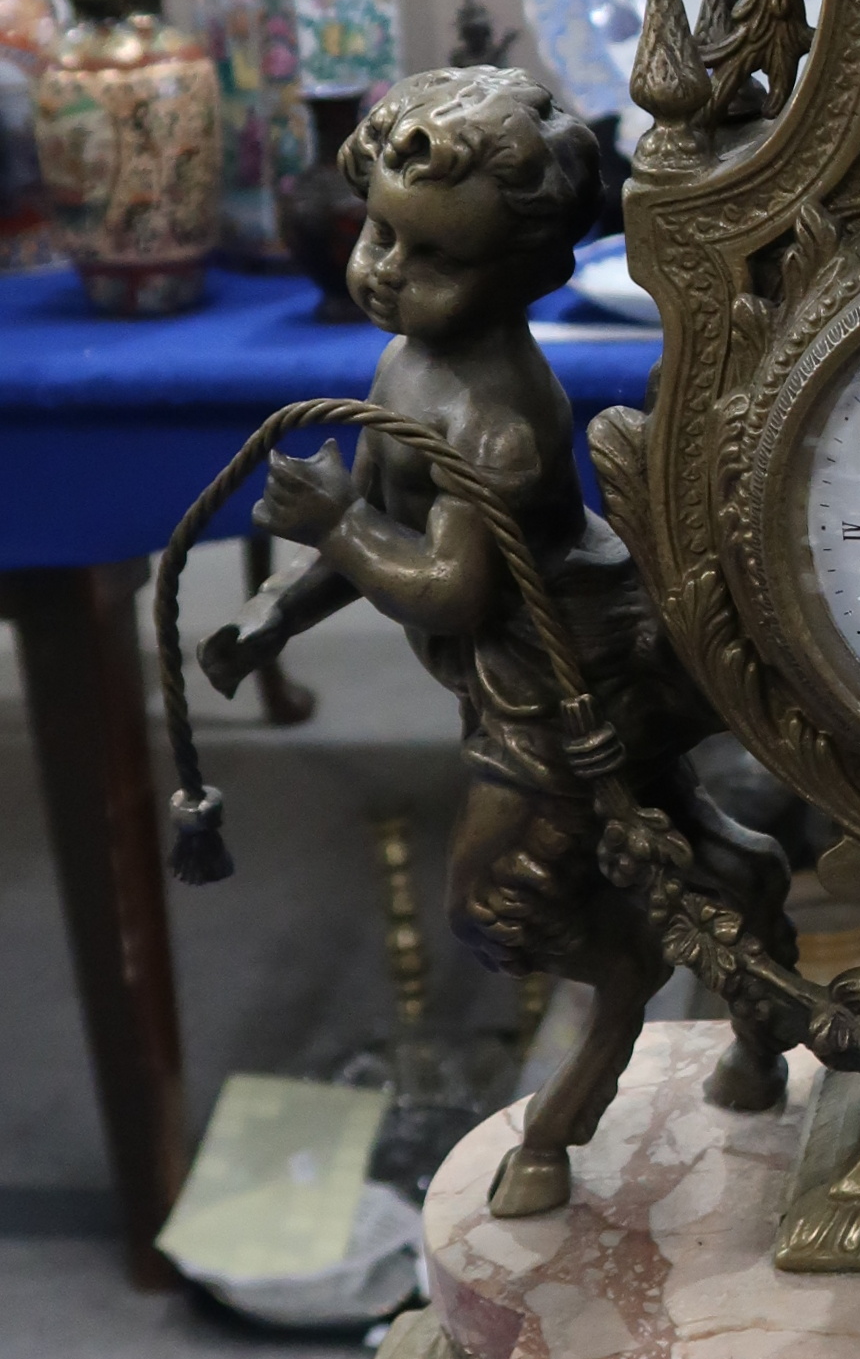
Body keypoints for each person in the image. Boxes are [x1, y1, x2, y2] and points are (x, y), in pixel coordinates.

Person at [197, 65, 790, 1217]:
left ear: (527, 274)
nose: (386, 272)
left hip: (554, 679)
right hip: (510, 678)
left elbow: (450, 585)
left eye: (435, 259)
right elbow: (381, 521)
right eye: (379, 234)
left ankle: (605, 1038)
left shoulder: (498, 418)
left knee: (494, 905)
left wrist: (334, 523)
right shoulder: (405, 363)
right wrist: (273, 617)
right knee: (665, 845)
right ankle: (744, 932)